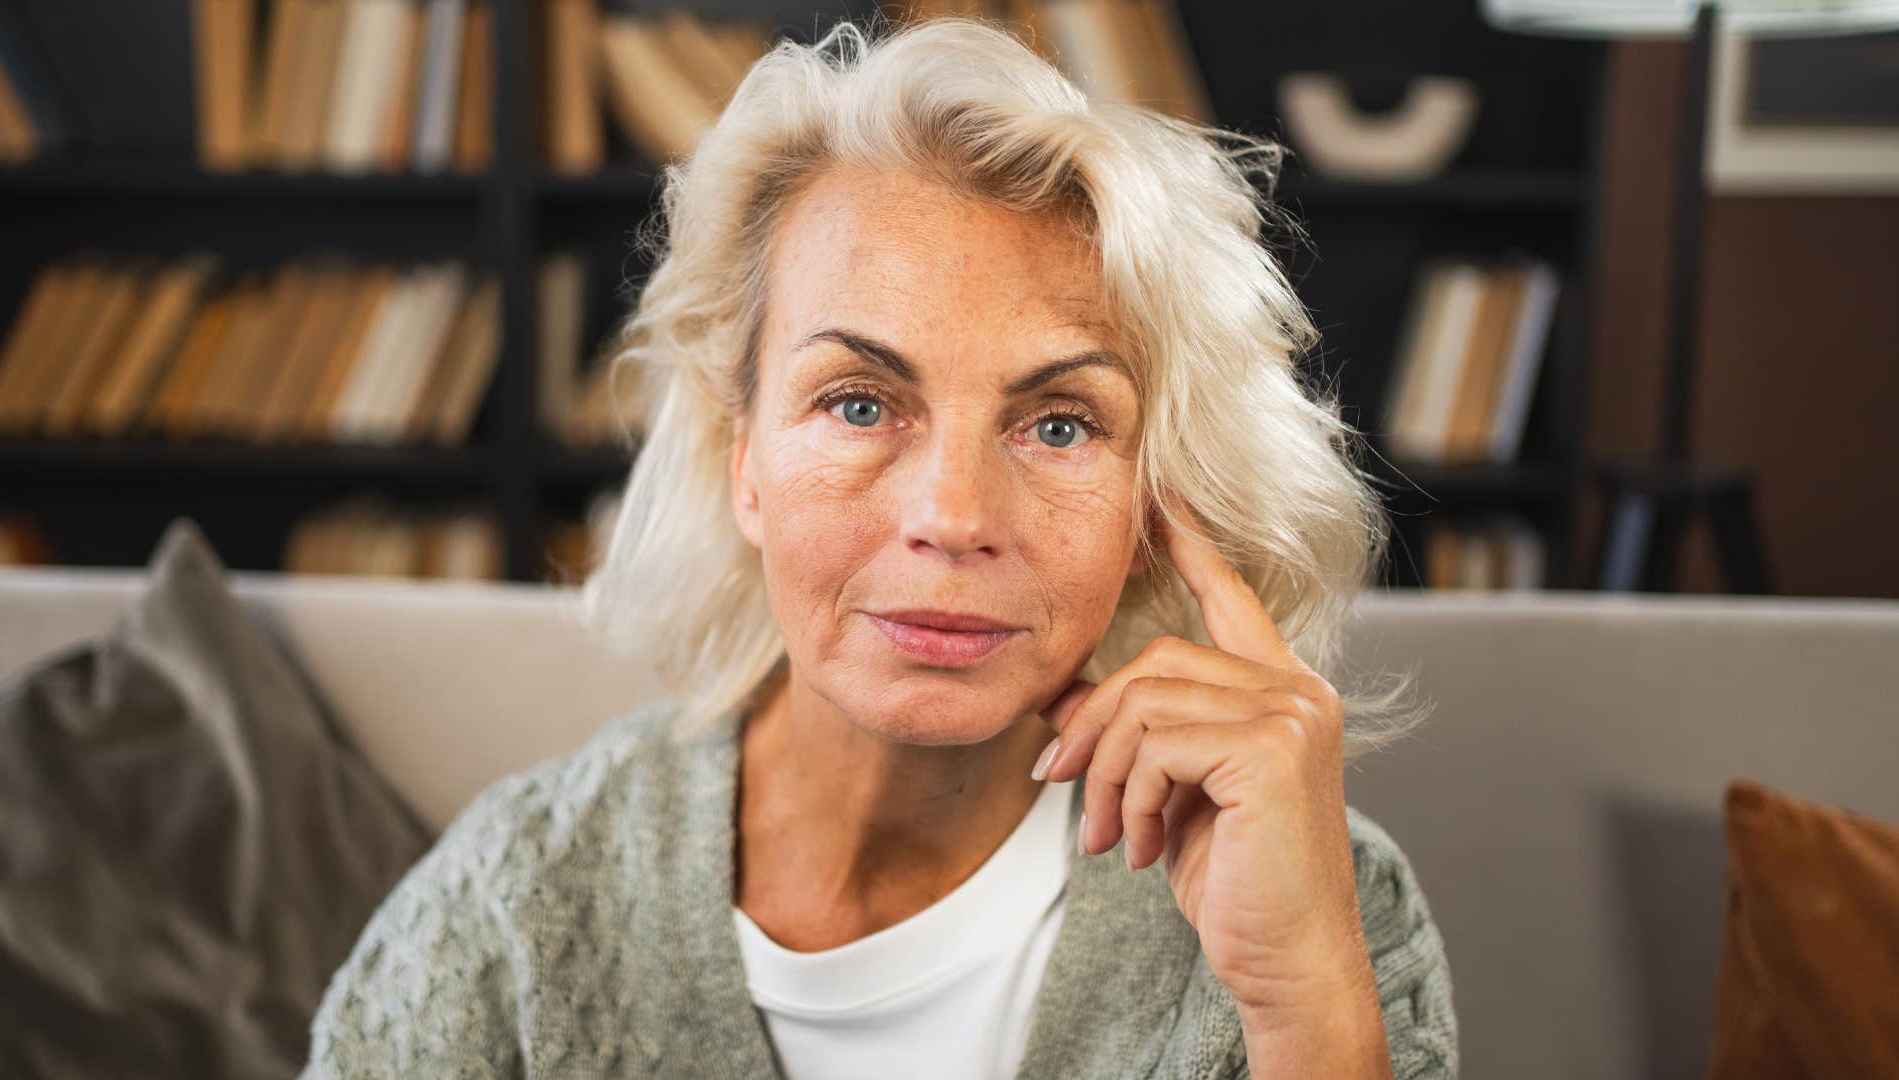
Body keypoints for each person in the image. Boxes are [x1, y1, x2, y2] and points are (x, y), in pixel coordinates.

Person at [303, 14, 1457, 1079]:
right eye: (859, 403)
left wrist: (1307, 1008)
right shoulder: (518, 904)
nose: (954, 518)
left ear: (1159, 509)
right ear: (738, 455)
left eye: (1060, 425)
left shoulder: (1327, 901)